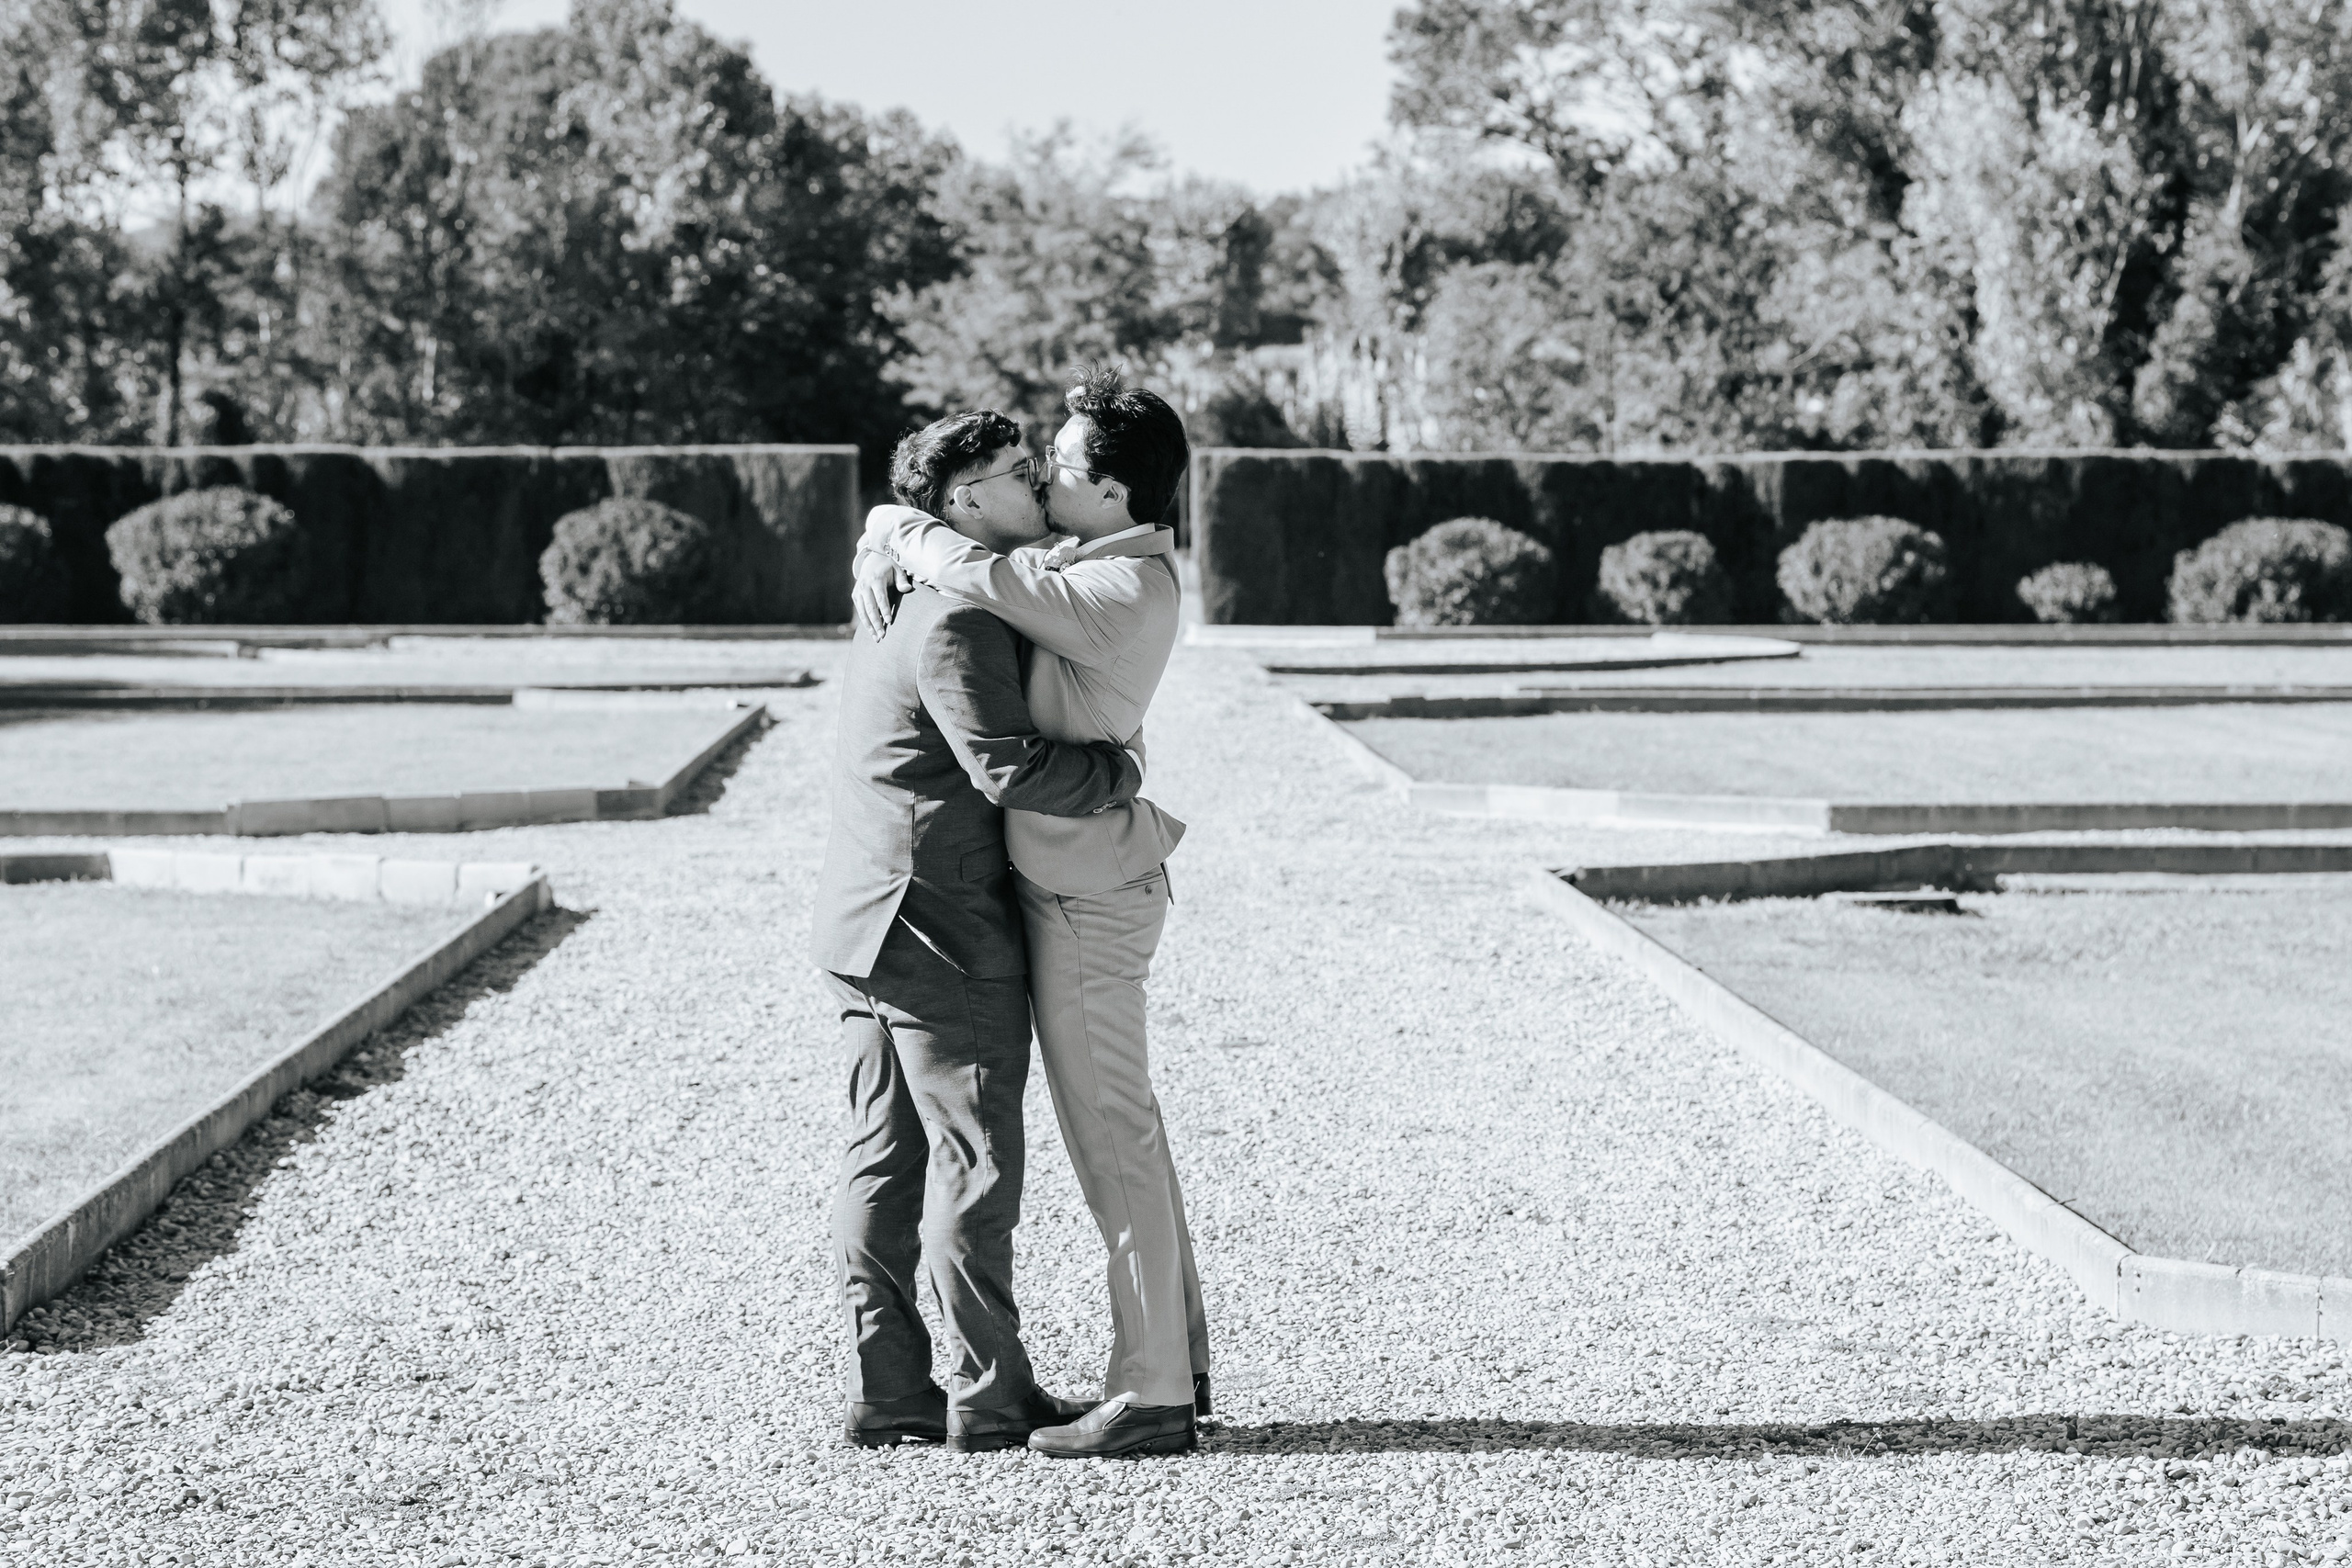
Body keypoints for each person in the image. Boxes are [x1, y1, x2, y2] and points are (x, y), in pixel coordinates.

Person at [851, 367, 1206, 1460]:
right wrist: (882, 528)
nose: (1042, 473)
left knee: (1114, 1139)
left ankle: (1151, 1395)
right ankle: (1174, 1365)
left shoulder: (1116, 592)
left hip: (1090, 893)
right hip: (1060, 886)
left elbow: (966, 560)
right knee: (1119, 1134)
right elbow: (965, 552)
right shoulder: (1085, 557)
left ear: (1111, 494)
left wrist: (891, 528)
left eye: (1055, 463)